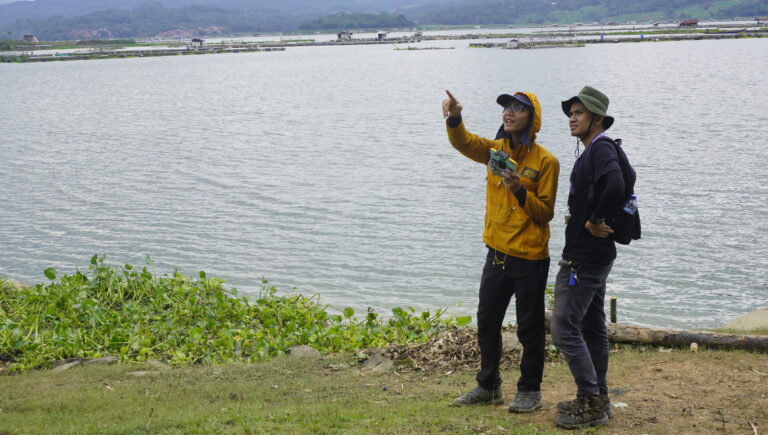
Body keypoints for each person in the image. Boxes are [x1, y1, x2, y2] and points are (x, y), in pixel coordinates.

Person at [442, 90, 559, 412]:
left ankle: (530, 390)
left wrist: (519, 190)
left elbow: (545, 213)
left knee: (529, 327)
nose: (509, 113)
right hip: (496, 252)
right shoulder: (494, 151)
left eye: (518, 109)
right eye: (507, 108)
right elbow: (464, 142)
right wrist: (454, 117)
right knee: (487, 321)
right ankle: (488, 385)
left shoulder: (546, 162)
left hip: (530, 258)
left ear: (531, 119)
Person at [551, 86, 624, 429]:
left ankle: (591, 400)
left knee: (563, 325)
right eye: (571, 112)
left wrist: (594, 219)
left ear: (597, 118)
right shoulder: (592, 150)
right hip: (594, 256)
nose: (572, 118)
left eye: (579, 113)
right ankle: (599, 397)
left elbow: (615, 185)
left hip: (583, 259)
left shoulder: (601, 148)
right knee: (592, 325)